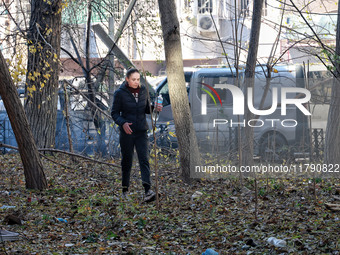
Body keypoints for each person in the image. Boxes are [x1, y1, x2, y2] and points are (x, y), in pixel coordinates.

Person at [111, 68, 162, 202]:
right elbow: (114, 113)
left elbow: (146, 109)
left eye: (138, 79)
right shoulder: (120, 93)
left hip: (141, 131)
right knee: (127, 161)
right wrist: (123, 123)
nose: (136, 82)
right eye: (133, 79)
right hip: (127, 132)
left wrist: (154, 108)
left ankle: (147, 191)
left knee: (144, 159)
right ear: (127, 79)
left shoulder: (143, 90)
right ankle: (125, 190)